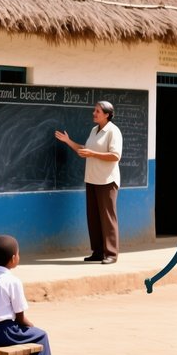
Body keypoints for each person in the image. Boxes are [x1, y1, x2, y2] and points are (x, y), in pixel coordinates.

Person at [54, 100, 123, 265]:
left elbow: (115, 156)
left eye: (97, 111)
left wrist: (92, 153)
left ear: (107, 114)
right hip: (92, 179)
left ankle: (111, 254)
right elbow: (85, 149)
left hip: (107, 181)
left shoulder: (113, 131)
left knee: (107, 218)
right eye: (95, 110)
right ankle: (98, 252)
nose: (94, 113)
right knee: (93, 218)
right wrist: (68, 141)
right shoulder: (94, 130)